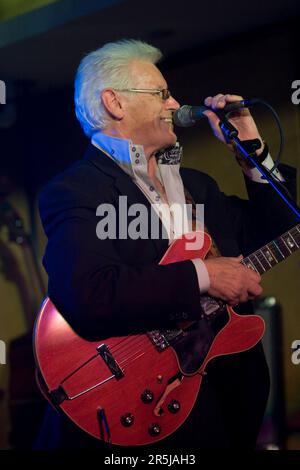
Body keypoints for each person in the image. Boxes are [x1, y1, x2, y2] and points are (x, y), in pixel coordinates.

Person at [37, 39, 296, 450]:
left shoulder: (196, 185)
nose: (174, 103)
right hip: (143, 407)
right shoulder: (76, 190)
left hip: (224, 407)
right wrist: (205, 275)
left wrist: (252, 152)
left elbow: (284, 226)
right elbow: (88, 292)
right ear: (114, 103)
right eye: (161, 93)